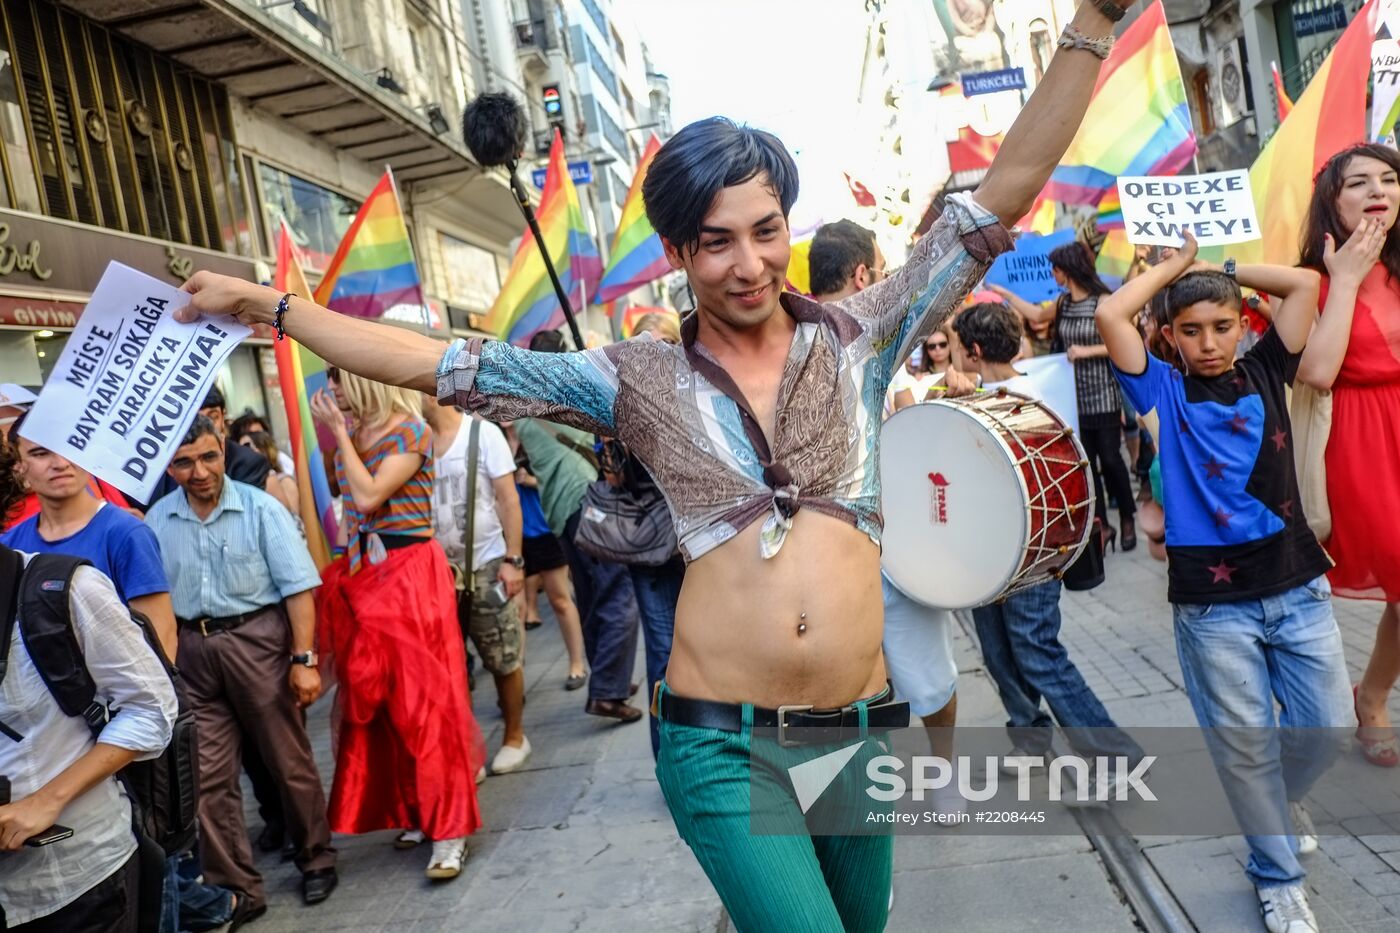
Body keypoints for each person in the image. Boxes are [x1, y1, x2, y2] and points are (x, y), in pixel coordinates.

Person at [173, 6, 1137, 922]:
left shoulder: (864, 334)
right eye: (717, 242)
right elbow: (442, 360)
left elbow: (1002, 191)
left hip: (857, 728)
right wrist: (272, 309)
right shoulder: (633, 377)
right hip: (723, 742)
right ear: (679, 250)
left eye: (766, 231)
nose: (750, 263)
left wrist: (1094, 21)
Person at [1098, 233, 1349, 933]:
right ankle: (1277, 877)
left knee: (1326, 730)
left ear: (1244, 324)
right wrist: (1177, 268)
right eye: (1191, 330)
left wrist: (1220, 268)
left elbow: (1303, 286)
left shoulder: (1270, 367)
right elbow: (1112, 316)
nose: (1208, 342)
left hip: (1298, 587)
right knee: (1244, 751)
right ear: (1169, 337)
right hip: (1214, 609)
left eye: (1222, 325)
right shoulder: (1162, 394)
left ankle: (1277, 798)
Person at [144, 416, 339, 916]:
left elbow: (298, 589)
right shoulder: (158, 520)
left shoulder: (261, 509)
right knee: (206, 777)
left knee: (287, 761)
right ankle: (237, 888)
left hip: (258, 643)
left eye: (209, 457)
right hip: (192, 650)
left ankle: (316, 858)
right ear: (170, 466)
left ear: (223, 453)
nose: (200, 471)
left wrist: (304, 660)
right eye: (185, 463)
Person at [950, 303, 1141, 778]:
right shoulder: (1017, 394)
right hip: (994, 551)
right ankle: (1030, 736)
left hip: (1030, 554)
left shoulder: (1019, 403)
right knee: (997, 650)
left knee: (1035, 650)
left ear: (973, 351)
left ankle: (1114, 752)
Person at [310, 369, 485, 880]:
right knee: (378, 704)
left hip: (410, 577)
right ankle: (414, 809)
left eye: (339, 381)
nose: (332, 392)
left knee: (426, 703)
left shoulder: (411, 430)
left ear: (363, 383)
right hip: (368, 574)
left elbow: (367, 497)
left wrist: (338, 435)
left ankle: (449, 828)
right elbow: (351, 514)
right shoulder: (358, 432)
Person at [0, 444, 179, 933]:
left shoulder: (83, 568)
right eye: (40, 454)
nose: (59, 463)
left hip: (77, 878)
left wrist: (47, 800)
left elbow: (153, 701)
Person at [1296, 143, 1400, 770]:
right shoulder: (1312, 277)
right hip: (1361, 442)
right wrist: (1347, 281)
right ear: (1332, 202)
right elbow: (1316, 371)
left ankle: (1374, 696)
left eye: (1389, 178)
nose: (1378, 189)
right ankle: (1351, 700)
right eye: (1358, 182)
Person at [518, 329, 643, 724]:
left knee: (590, 596)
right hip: (585, 503)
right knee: (619, 591)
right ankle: (607, 690)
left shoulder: (523, 410)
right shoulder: (560, 396)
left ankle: (610, 679)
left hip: (559, 512)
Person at [998, 241, 1137, 551]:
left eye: (1056, 269)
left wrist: (1086, 351)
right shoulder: (1062, 304)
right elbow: (1035, 313)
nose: (1052, 274)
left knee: (1112, 459)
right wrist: (1005, 294)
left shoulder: (1104, 301)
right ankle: (1102, 526)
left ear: (1067, 270)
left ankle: (1128, 516)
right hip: (1072, 398)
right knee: (1087, 465)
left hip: (1103, 394)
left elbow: (1123, 343)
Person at [3, 415, 177, 660]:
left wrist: (150, 698)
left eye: (73, 447)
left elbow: (162, 637)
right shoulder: (9, 546)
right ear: (17, 464)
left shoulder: (126, 534)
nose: (61, 463)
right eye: (41, 453)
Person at [421, 396, 532, 774]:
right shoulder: (415, 440)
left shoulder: (482, 434)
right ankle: (469, 747)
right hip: (436, 573)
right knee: (452, 666)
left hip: (485, 563)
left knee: (502, 655)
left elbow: (507, 499)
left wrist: (513, 560)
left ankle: (515, 736)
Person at [614, 311, 687, 757]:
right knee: (663, 654)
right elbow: (615, 479)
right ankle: (668, 758)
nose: (652, 353)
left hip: (703, 548)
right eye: (642, 345)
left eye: (661, 342)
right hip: (654, 552)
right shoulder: (623, 403)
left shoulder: (699, 395)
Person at [239, 430, 300, 518]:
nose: (244, 454)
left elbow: (294, 519)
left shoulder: (285, 481)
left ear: (263, 449)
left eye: (248, 447)